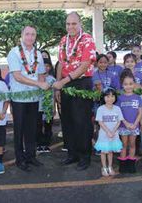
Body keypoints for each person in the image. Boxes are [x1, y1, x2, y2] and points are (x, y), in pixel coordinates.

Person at [52, 11, 96, 171]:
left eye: (74, 23)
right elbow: (61, 64)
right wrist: (59, 85)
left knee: (82, 121)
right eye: (68, 24)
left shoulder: (87, 39)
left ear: (80, 23)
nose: (70, 27)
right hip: (65, 83)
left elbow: (85, 65)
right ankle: (72, 154)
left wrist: (64, 81)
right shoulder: (63, 40)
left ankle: (85, 156)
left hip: (82, 83)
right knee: (67, 121)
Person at [7, 25, 49, 172]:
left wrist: (42, 83)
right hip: (19, 98)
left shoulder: (38, 53)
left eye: (33, 34)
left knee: (32, 129)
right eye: (27, 34)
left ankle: (31, 156)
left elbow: (42, 74)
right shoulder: (14, 53)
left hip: (33, 98)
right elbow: (17, 76)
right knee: (19, 129)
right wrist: (39, 83)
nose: (30, 37)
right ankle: (20, 159)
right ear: (21, 36)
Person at [116, 69, 142, 173]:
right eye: (126, 84)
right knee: (124, 145)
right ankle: (123, 165)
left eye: (131, 84)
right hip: (123, 126)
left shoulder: (138, 97)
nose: (128, 86)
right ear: (122, 85)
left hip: (134, 126)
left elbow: (140, 112)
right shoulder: (120, 98)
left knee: (132, 144)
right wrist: (126, 123)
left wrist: (135, 124)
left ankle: (131, 165)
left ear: (134, 84)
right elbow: (118, 113)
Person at [95, 88, 123, 177]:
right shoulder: (101, 109)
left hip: (113, 134)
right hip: (104, 134)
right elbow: (100, 122)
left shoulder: (117, 108)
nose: (110, 98)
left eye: (112, 96)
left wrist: (113, 132)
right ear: (103, 97)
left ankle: (110, 166)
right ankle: (104, 167)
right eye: (107, 96)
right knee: (103, 151)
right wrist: (108, 132)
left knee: (110, 151)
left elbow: (119, 121)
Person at [37, 57, 56, 153]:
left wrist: (54, 107)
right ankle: (39, 144)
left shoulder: (52, 79)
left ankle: (46, 144)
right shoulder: (36, 79)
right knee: (38, 125)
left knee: (48, 125)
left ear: (50, 67)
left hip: (48, 106)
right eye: (43, 66)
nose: (45, 67)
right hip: (38, 106)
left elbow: (54, 94)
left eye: (47, 66)